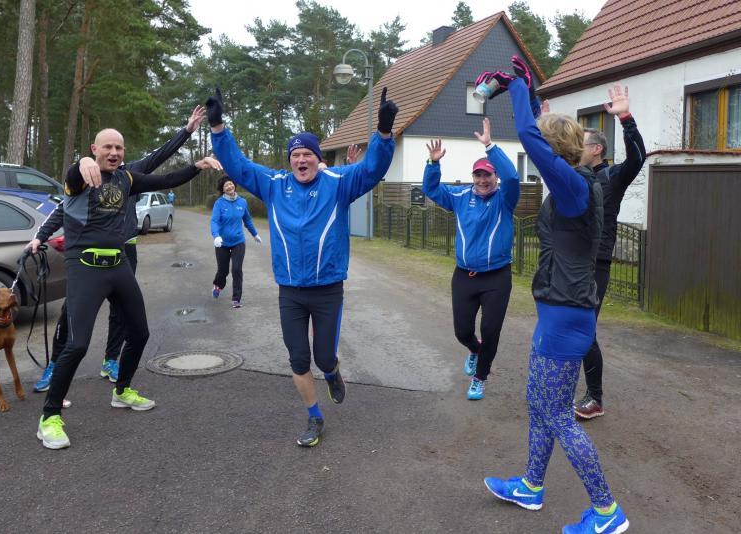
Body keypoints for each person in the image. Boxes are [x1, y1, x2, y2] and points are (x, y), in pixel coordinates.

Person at [482, 57, 629, 534]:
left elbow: (529, 138)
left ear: (552, 149)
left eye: (543, 145)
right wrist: (529, 96)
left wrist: (516, 88)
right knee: (538, 403)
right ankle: (531, 485)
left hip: (566, 317)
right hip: (559, 312)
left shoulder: (574, 187)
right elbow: (535, 140)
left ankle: (606, 511)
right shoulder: (571, 184)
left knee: (558, 415)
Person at [207, 86, 399, 447]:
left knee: (324, 357)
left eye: (307, 153)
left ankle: (333, 372)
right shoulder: (274, 185)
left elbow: (372, 169)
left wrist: (384, 132)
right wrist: (218, 127)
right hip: (291, 291)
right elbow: (239, 166)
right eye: (295, 155)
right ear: (289, 160)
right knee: (298, 359)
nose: (301, 160)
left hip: (327, 290)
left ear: (317, 157)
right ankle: (314, 417)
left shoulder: (338, 184)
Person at [35, 127, 220, 450]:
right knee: (77, 345)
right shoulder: (80, 178)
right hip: (86, 266)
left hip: (118, 264)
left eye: (119, 148)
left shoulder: (127, 178)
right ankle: (49, 417)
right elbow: (73, 176)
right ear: (94, 148)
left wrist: (196, 166)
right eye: (107, 147)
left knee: (140, 332)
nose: (114, 152)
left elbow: (165, 179)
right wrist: (81, 163)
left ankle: (121, 391)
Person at [422, 117, 519, 400]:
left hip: (497, 277)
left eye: (487, 175)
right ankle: (474, 350)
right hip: (465, 276)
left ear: (495, 176)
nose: (482, 180)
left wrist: (490, 147)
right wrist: (433, 164)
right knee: (462, 331)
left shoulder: (505, 198)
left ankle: (480, 377)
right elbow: (431, 190)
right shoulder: (461, 196)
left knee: (491, 329)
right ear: (472, 177)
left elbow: (513, 177)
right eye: (478, 175)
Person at [574, 84, 646, 420]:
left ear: (597, 149)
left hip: (595, 262)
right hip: (569, 260)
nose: (576, 147)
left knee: (585, 330)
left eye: (581, 143)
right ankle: (565, 387)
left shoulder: (612, 177)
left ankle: (596, 398)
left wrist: (626, 118)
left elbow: (638, 158)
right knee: (568, 325)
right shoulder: (574, 175)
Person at [211, 175, 262, 308]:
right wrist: (216, 236)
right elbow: (214, 221)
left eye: (231, 184)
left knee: (237, 269)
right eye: (226, 185)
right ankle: (218, 286)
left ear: (234, 184)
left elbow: (247, 220)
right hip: (222, 242)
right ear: (223, 189)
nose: (229, 186)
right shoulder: (219, 203)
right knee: (223, 271)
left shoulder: (242, 202)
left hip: (238, 241)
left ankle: (236, 299)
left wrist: (255, 234)